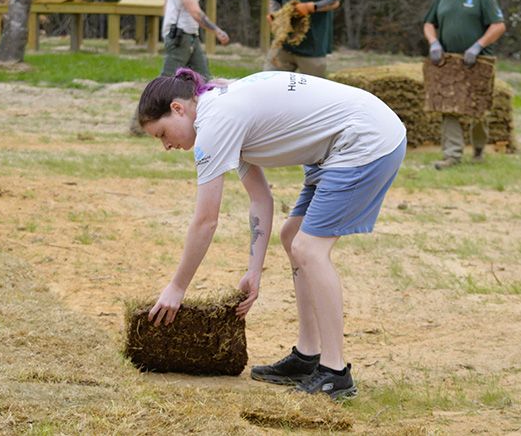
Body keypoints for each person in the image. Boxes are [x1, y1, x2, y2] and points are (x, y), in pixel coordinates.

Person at [138, 68, 406, 400]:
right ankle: (308, 356)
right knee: (293, 236)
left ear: (178, 108)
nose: (165, 145)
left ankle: (335, 372)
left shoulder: (215, 122)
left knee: (309, 248)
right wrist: (254, 272)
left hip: (364, 138)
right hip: (340, 143)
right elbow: (261, 199)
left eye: (162, 133)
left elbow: (206, 220)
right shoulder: (220, 109)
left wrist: (177, 287)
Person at [423, 0, 506, 170]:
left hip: (477, 61)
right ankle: (452, 155)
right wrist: (434, 43)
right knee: (447, 106)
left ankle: (478, 148)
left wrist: (478, 46)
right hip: (448, 60)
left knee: (477, 109)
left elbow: (498, 25)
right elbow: (429, 23)